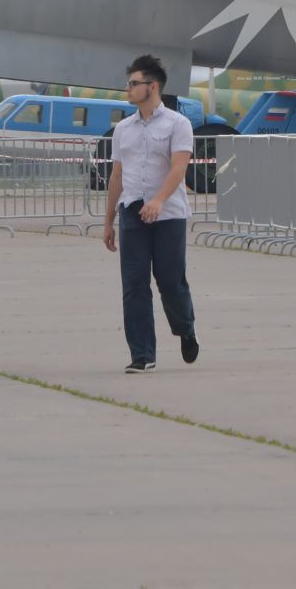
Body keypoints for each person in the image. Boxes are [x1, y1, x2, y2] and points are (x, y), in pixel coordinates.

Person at [103, 54, 197, 373]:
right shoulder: (123, 129)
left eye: (134, 83)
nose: (128, 89)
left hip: (168, 215)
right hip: (132, 213)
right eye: (128, 83)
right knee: (134, 284)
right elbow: (117, 176)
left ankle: (185, 328)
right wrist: (108, 221)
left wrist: (158, 200)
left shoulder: (178, 124)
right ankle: (142, 354)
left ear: (152, 87)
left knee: (170, 281)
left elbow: (178, 167)